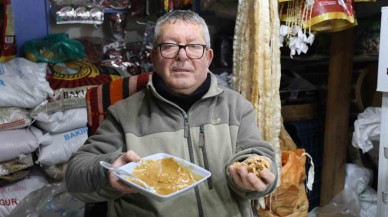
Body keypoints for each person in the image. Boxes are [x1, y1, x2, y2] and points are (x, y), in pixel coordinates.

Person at [65, 10, 278, 217]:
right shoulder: (124, 114)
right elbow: (75, 175)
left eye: (194, 47)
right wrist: (109, 172)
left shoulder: (236, 106)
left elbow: (259, 156)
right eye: (169, 46)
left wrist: (256, 179)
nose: (182, 56)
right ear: (154, 57)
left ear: (208, 57)